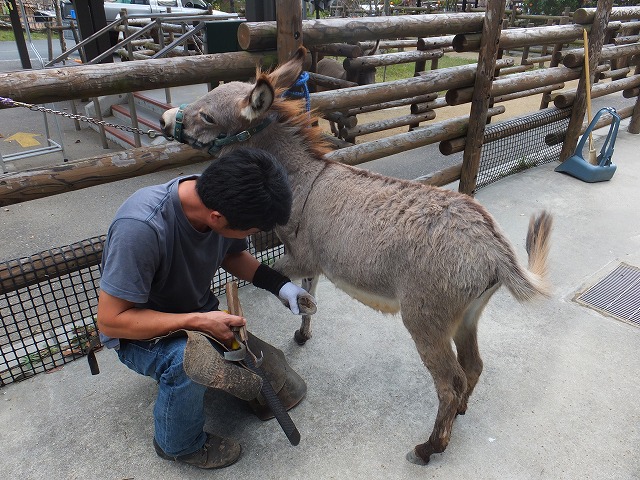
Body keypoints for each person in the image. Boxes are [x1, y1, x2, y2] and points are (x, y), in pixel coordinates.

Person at [97, 147, 312, 469]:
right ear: (217, 219)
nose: (252, 236)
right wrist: (199, 321)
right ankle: (177, 445)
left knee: (281, 384)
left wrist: (278, 284)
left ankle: (224, 371)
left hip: (198, 313)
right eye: (252, 231)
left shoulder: (219, 198)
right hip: (142, 336)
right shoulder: (141, 227)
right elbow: (111, 321)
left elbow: (231, 254)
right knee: (190, 364)